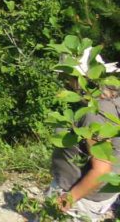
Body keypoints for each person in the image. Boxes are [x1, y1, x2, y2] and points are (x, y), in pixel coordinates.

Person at [50, 47, 120, 220]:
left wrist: (69, 198)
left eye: (67, 76)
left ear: (79, 78)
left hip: (80, 197)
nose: (65, 82)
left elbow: (102, 169)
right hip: (95, 194)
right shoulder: (113, 101)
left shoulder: (94, 112)